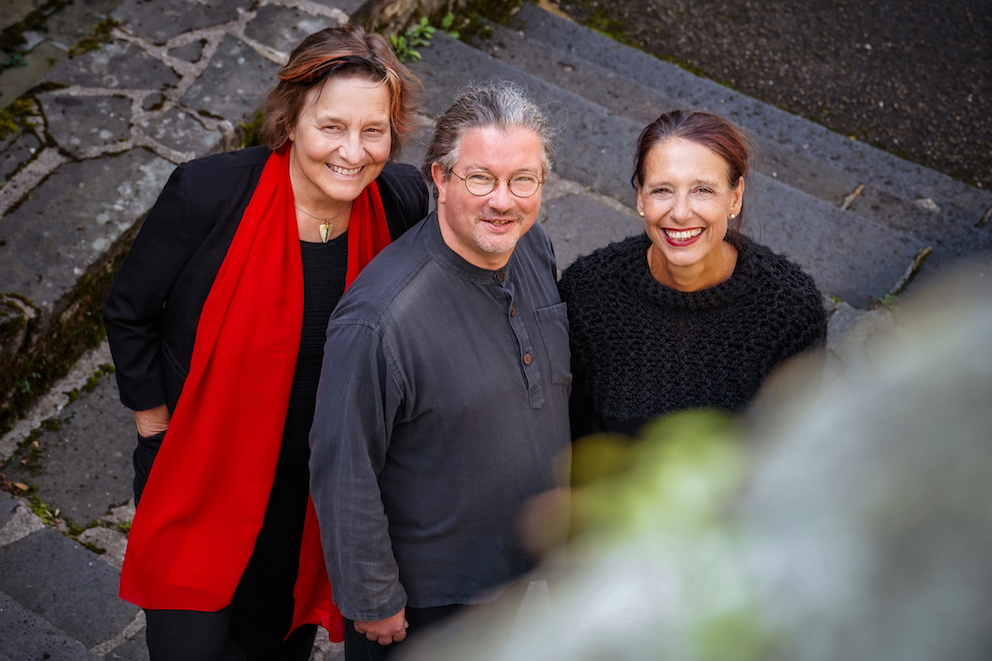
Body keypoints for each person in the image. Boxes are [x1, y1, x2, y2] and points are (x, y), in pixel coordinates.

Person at [102, 24, 428, 661]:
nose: (353, 151)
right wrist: (154, 426)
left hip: (311, 493)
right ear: (290, 121)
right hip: (201, 468)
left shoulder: (401, 202)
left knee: (278, 639)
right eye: (331, 126)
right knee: (188, 644)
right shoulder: (207, 193)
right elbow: (130, 311)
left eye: (374, 129)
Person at [308, 81, 571, 660]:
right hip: (429, 599)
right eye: (480, 178)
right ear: (441, 179)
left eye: (522, 180)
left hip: (520, 574)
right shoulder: (378, 320)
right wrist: (373, 597)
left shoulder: (534, 246)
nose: (503, 201)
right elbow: (343, 467)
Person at [558, 109, 827, 438]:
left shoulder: (790, 311)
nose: (681, 212)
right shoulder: (588, 293)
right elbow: (565, 427)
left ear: (735, 198)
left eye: (703, 190)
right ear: (640, 197)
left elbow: (788, 444)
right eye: (662, 190)